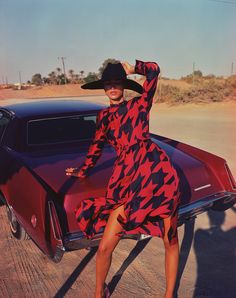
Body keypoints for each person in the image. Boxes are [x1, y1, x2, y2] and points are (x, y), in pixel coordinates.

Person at [66, 60, 180, 298]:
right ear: (104, 88)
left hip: (157, 177)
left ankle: (170, 294)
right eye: (108, 83)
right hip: (126, 180)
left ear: (124, 85)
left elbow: (155, 70)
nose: (113, 87)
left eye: (117, 82)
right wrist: (83, 170)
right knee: (105, 246)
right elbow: (96, 148)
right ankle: (99, 293)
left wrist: (135, 67)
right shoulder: (104, 117)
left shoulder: (140, 104)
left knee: (170, 240)